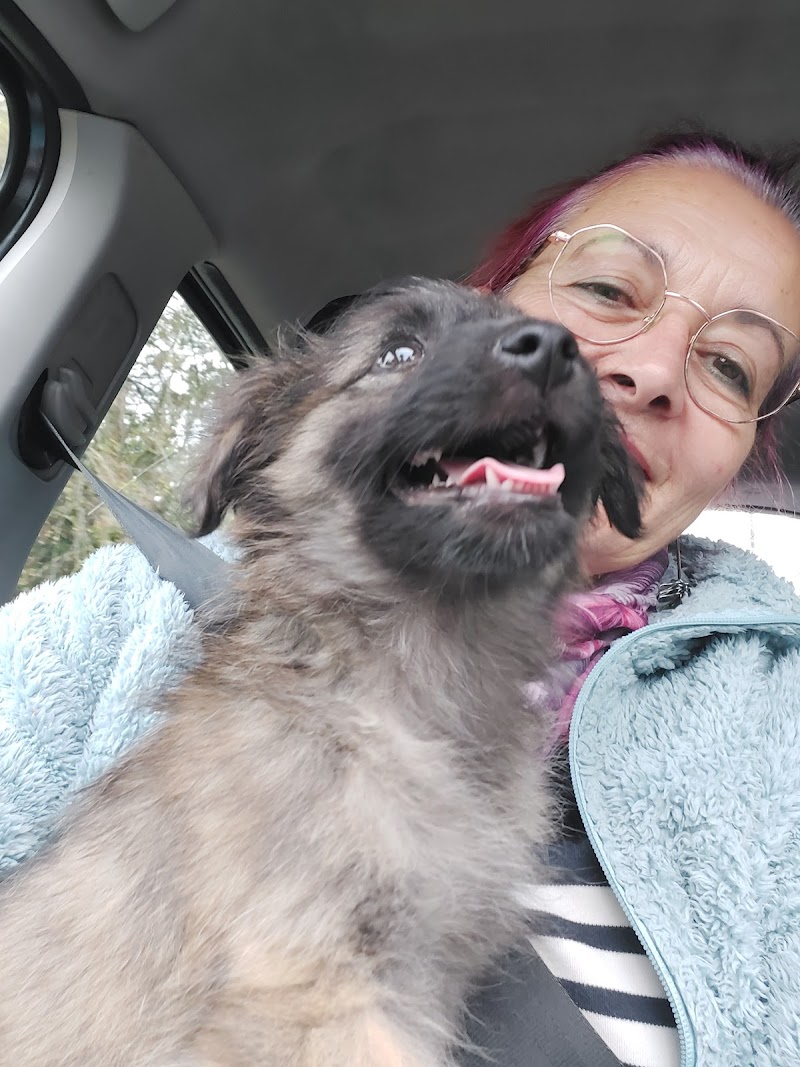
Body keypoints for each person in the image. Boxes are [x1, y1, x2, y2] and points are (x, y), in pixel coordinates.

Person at [3, 129, 800, 1067]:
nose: (653, 370)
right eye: (607, 289)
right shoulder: (141, 607)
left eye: (729, 367)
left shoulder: (777, 722)